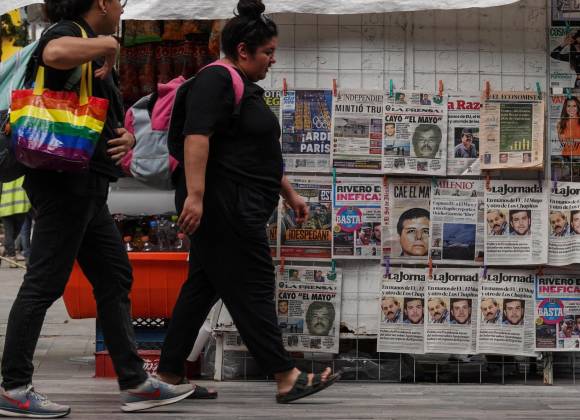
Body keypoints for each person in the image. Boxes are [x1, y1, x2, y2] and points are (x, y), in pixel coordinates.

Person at [0, 1, 196, 417]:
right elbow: (52, 53)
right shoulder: (68, 34)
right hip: (64, 186)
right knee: (44, 283)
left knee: (114, 275)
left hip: (86, 188)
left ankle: (135, 381)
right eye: (119, 1)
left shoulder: (87, 44)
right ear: (102, 3)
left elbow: (103, 115)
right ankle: (14, 386)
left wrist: (125, 136)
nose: (122, 7)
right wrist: (110, 43)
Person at [156, 0, 339, 404]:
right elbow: (196, 137)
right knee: (254, 286)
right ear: (243, 51)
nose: (273, 60)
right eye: (268, 52)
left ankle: (168, 375)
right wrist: (197, 197)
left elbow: (254, 152)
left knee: (201, 288)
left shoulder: (242, 86)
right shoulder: (215, 81)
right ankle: (286, 374)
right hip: (225, 207)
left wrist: (288, 193)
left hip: (237, 204)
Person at [0, 177, 31, 268]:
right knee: (10, 234)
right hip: (12, 208)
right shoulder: (21, 172)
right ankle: (12, 257)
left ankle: (6, 251)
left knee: (13, 234)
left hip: (16, 208)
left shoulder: (6, 173)